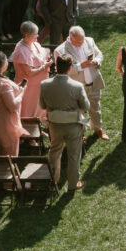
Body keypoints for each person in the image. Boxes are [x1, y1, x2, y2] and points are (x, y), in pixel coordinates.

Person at [40, 53, 89, 192]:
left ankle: (53, 181)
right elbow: (86, 106)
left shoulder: (44, 84)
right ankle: (73, 184)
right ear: (69, 69)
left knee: (54, 152)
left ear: (56, 66)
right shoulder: (77, 86)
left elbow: (42, 105)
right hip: (73, 125)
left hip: (54, 125)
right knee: (74, 156)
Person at [57, 25, 109, 140]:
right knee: (78, 111)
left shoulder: (89, 41)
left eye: (82, 40)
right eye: (78, 41)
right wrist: (80, 66)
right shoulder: (61, 50)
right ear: (71, 38)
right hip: (76, 88)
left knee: (95, 107)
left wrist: (95, 61)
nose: (81, 43)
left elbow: (99, 54)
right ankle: (81, 134)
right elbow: (62, 70)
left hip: (93, 82)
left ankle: (98, 129)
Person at [10, 21, 50, 120]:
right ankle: (28, 129)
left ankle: (39, 123)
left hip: (38, 86)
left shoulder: (33, 43)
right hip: (28, 87)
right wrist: (44, 67)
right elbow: (29, 73)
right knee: (28, 110)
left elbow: (41, 53)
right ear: (26, 35)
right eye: (35, 34)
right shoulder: (21, 50)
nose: (37, 36)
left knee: (38, 107)